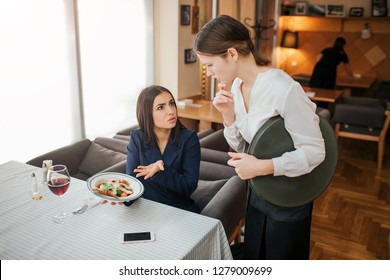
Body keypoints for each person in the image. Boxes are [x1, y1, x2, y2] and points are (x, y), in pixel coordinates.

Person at [193, 15, 325, 260]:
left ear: (232, 54)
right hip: (257, 191)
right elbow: (243, 146)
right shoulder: (236, 86)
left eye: (210, 64)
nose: (209, 73)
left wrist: (261, 166)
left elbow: (315, 152)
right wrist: (229, 116)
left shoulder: (283, 88)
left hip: (288, 192)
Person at [125, 85, 201, 213]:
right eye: (161, 107)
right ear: (147, 113)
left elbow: (189, 186)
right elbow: (132, 181)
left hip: (179, 210)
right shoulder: (137, 138)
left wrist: (161, 171)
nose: (171, 111)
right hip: (147, 209)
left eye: (171, 104)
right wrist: (122, 196)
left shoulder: (189, 139)